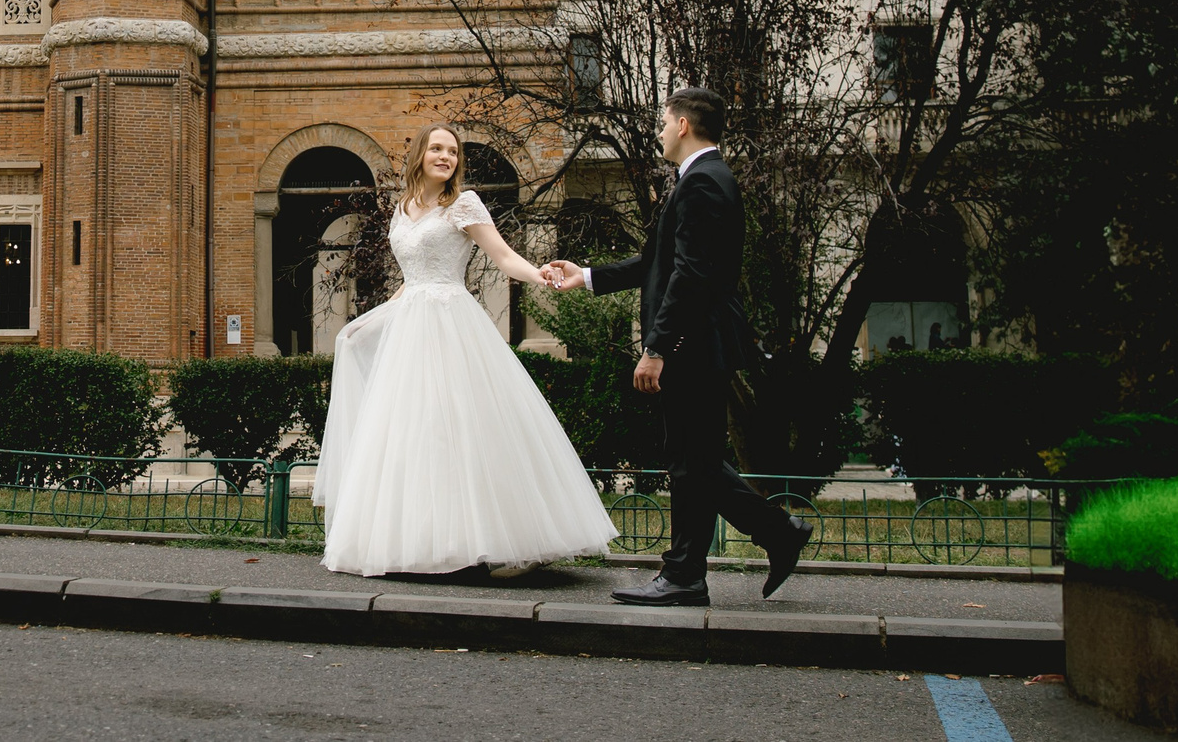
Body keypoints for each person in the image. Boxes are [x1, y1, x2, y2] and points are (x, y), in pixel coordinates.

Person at [543, 86, 814, 605]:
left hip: (694, 343)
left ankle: (689, 574)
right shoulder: (700, 180)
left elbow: (691, 276)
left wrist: (657, 346)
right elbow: (658, 264)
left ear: (684, 125)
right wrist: (587, 276)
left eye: (664, 122)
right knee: (696, 460)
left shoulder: (704, 183)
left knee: (693, 462)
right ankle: (773, 535)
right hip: (697, 342)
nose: (660, 131)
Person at [312, 124, 617, 577]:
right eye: (436, 148)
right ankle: (425, 542)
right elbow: (408, 281)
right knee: (416, 433)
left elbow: (503, 256)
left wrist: (543, 276)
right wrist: (365, 323)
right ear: (419, 154)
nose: (445, 157)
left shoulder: (464, 203)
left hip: (452, 321)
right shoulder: (402, 208)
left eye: (452, 151)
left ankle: (507, 541)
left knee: (466, 426)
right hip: (411, 324)